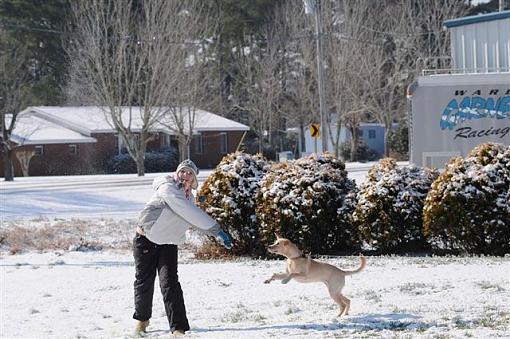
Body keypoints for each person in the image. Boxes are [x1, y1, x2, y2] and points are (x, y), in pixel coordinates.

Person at [132, 159, 232, 337]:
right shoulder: (167, 187)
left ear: (193, 180)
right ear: (176, 173)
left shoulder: (189, 199)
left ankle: (178, 328)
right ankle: (141, 321)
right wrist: (216, 229)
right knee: (144, 282)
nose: (185, 175)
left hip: (168, 243)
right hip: (145, 240)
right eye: (182, 171)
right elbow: (185, 210)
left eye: (189, 173)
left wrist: (215, 233)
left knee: (170, 284)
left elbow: (192, 217)